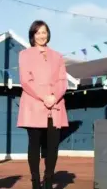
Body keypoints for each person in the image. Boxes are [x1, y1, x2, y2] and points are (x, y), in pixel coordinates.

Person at [17, 20, 69, 189]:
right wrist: (44, 97)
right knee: (34, 145)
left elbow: (63, 80)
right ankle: (35, 182)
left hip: (55, 106)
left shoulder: (58, 56)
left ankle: (48, 181)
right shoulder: (25, 54)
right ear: (32, 35)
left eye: (44, 32)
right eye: (38, 32)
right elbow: (26, 81)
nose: (41, 35)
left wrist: (54, 97)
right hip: (34, 105)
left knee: (53, 147)